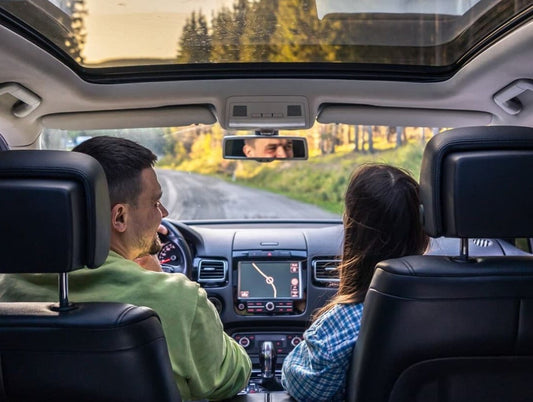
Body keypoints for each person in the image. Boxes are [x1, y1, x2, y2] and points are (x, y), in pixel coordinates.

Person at [0, 136, 251, 401]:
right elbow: (231, 378)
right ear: (119, 216)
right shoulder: (177, 299)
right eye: (155, 203)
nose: (163, 212)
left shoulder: (6, 290)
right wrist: (159, 280)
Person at [280, 163, 429, 401]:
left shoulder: (344, 322)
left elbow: (301, 387)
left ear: (352, 229)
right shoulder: (469, 304)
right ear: (422, 228)